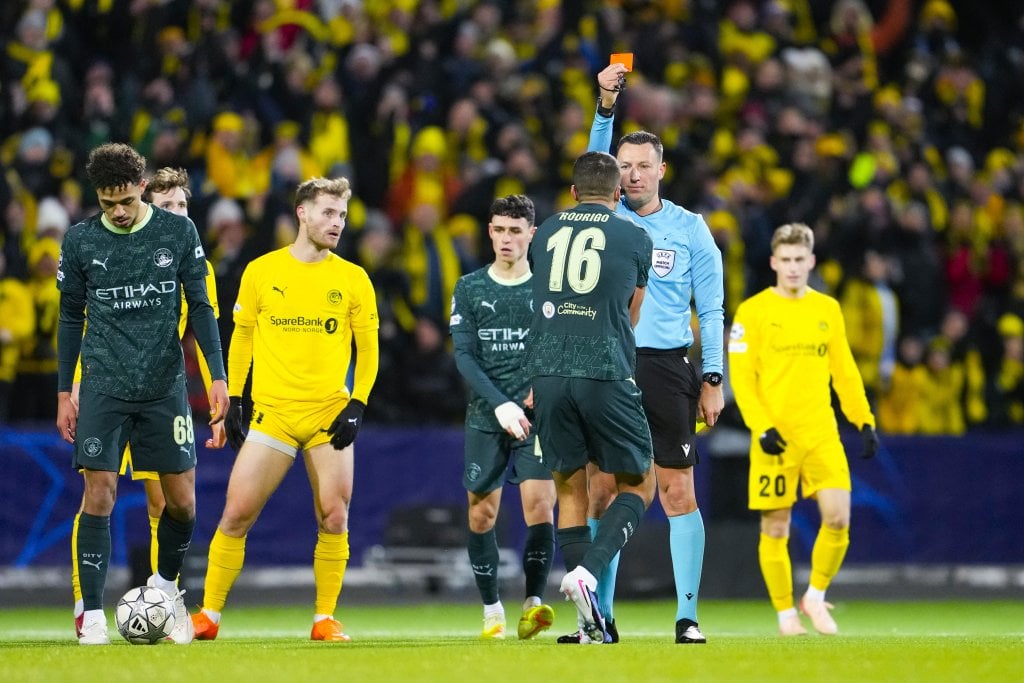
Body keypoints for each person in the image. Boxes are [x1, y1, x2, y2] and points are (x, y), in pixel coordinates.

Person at [190, 176, 379, 643]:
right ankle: (209, 615)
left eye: (342, 215)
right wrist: (234, 397)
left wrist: (358, 402)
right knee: (236, 513)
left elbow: (368, 351)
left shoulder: (353, 278)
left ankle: (324, 619)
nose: (337, 223)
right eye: (328, 213)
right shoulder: (261, 270)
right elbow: (243, 337)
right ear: (302, 213)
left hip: (327, 414)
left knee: (334, 514)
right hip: (272, 412)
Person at [575, 61, 725, 645]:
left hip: (665, 367)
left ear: (663, 170)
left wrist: (712, 376)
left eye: (642, 166)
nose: (631, 175)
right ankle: (600, 618)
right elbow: (591, 167)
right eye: (624, 167)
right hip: (608, 364)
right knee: (603, 489)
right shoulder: (602, 218)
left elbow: (710, 309)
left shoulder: (690, 229)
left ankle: (686, 615)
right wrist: (604, 110)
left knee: (676, 490)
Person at [56, 143, 229, 646]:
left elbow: (200, 306)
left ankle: (163, 589)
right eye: (108, 203)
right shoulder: (81, 241)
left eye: (125, 201)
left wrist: (216, 376)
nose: (118, 211)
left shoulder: (178, 232)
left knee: (182, 503)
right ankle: (91, 613)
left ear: (140, 188)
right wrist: (66, 391)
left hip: (163, 387)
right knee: (100, 493)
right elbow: (70, 319)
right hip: (105, 386)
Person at [523, 151, 655, 645]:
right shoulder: (634, 236)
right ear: (617, 194)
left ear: (573, 192)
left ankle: (588, 624)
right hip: (604, 370)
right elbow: (632, 312)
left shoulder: (547, 232)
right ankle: (589, 575)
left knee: (570, 488)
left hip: (548, 374)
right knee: (641, 484)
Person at [728, 222, 878, 636]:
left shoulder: (827, 309)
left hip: (820, 432)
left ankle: (813, 595)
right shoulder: (753, 312)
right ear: (775, 262)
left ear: (811, 262)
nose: (793, 268)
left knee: (838, 519)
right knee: (775, 526)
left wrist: (863, 418)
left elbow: (844, 371)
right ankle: (784, 614)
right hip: (776, 436)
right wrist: (760, 426)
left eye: (800, 260)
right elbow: (742, 378)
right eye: (786, 260)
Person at [449, 194, 556, 640]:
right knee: (482, 514)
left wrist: (543, 386)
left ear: (532, 234)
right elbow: (465, 357)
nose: (506, 238)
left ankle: (532, 603)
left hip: (537, 417)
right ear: (489, 232)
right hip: (486, 415)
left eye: (515, 230)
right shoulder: (471, 288)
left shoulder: (549, 287)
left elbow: (560, 345)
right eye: (499, 229)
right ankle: (492, 607)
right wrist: (500, 402)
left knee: (540, 506)